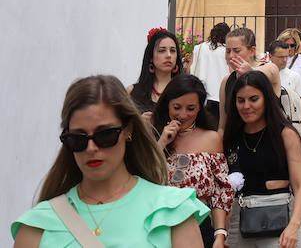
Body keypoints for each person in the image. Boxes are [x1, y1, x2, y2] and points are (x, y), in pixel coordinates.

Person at [13, 75, 208, 247]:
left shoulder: (172, 211)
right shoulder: (38, 225)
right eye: (78, 139)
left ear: (129, 130)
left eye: (105, 135)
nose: (91, 148)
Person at [223, 70, 301, 247]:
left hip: (279, 220)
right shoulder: (231, 138)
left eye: (254, 99)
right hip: (239, 223)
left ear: (266, 99)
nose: (247, 106)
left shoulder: (285, 134)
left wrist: (294, 225)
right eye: (241, 100)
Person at [152, 74, 233, 248]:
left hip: (200, 224)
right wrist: (162, 143)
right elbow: (144, 179)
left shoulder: (211, 139)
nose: (183, 114)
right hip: (161, 226)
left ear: (199, 109)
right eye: (177, 107)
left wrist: (220, 234)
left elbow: (220, 192)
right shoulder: (153, 137)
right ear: (167, 104)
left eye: (190, 108)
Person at [131, 28, 185, 116]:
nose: (168, 55)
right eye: (162, 50)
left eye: (172, 50)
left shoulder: (185, 91)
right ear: (151, 56)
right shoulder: (132, 91)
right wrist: (139, 123)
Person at [189, 23, 231, 130]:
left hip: (201, 96)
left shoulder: (198, 48)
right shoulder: (227, 50)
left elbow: (189, 69)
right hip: (220, 98)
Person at [265, 40, 301, 143]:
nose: (284, 60)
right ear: (270, 57)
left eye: (286, 57)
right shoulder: (261, 74)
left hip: (289, 127)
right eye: (280, 57)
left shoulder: (294, 77)